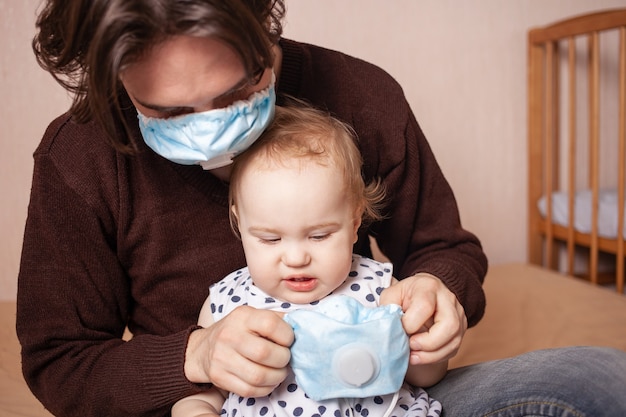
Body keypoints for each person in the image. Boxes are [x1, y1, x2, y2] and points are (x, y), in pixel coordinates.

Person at [16, 1, 626, 416]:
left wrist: (441, 295)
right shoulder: (81, 158)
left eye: (238, 92)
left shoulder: (363, 94)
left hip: (375, 396)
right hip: (221, 403)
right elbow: (60, 359)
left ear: (264, 29)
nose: (210, 132)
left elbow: (448, 248)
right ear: (116, 79)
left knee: (598, 381)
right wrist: (195, 356)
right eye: (168, 112)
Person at [172, 104, 445, 417]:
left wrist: (425, 340)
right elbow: (202, 396)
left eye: (319, 236)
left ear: (355, 222)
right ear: (240, 224)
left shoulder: (381, 290)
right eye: (270, 239)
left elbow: (426, 376)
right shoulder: (226, 305)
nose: (296, 258)